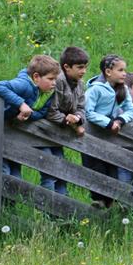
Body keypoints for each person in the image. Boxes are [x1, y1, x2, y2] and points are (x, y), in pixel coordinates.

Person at [0, 54, 59, 179]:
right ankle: (1, 193)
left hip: (9, 131)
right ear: (36, 77)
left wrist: (26, 114)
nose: (54, 83)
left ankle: (12, 193)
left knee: (15, 173)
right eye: (50, 79)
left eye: (55, 79)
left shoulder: (46, 93)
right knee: (2, 170)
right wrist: (21, 104)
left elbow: (41, 113)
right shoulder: (24, 84)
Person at [83, 54, 133, 208]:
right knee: (96, 166)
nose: (124, 73)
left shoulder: (123, 89)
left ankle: (111, 202)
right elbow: (88, 112)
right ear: (108, 72)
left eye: (125, 70)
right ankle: (98, 200)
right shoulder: (95, 89)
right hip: (93, 135)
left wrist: (120, 120)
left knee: (112, 167)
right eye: (120, 70)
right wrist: (108, 123)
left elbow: (130, 111)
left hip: (111, 137)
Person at [43, 46, 88, 194]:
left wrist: (78, 118)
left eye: (85, 67)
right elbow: (51, 110)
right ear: (67, 67)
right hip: (44, 131)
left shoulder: (80, 84)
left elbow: (81, 107)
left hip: (58, 134)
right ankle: (48, 203)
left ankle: (61, 203)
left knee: (61, 169)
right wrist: (66, 119)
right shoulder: (58, 82)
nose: (84, 71)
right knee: (49, 171)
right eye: (80, 67)